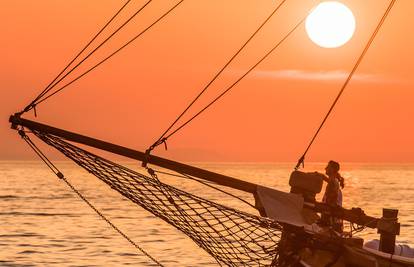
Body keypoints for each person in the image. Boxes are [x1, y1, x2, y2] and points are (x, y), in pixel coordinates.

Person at [320, 160, 345, 232]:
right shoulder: (334, 182)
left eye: (328, 167)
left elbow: (330, 204)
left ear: (332, 169)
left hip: (331, 222)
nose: (325, 168)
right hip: (334, 221)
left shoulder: (333, 184)